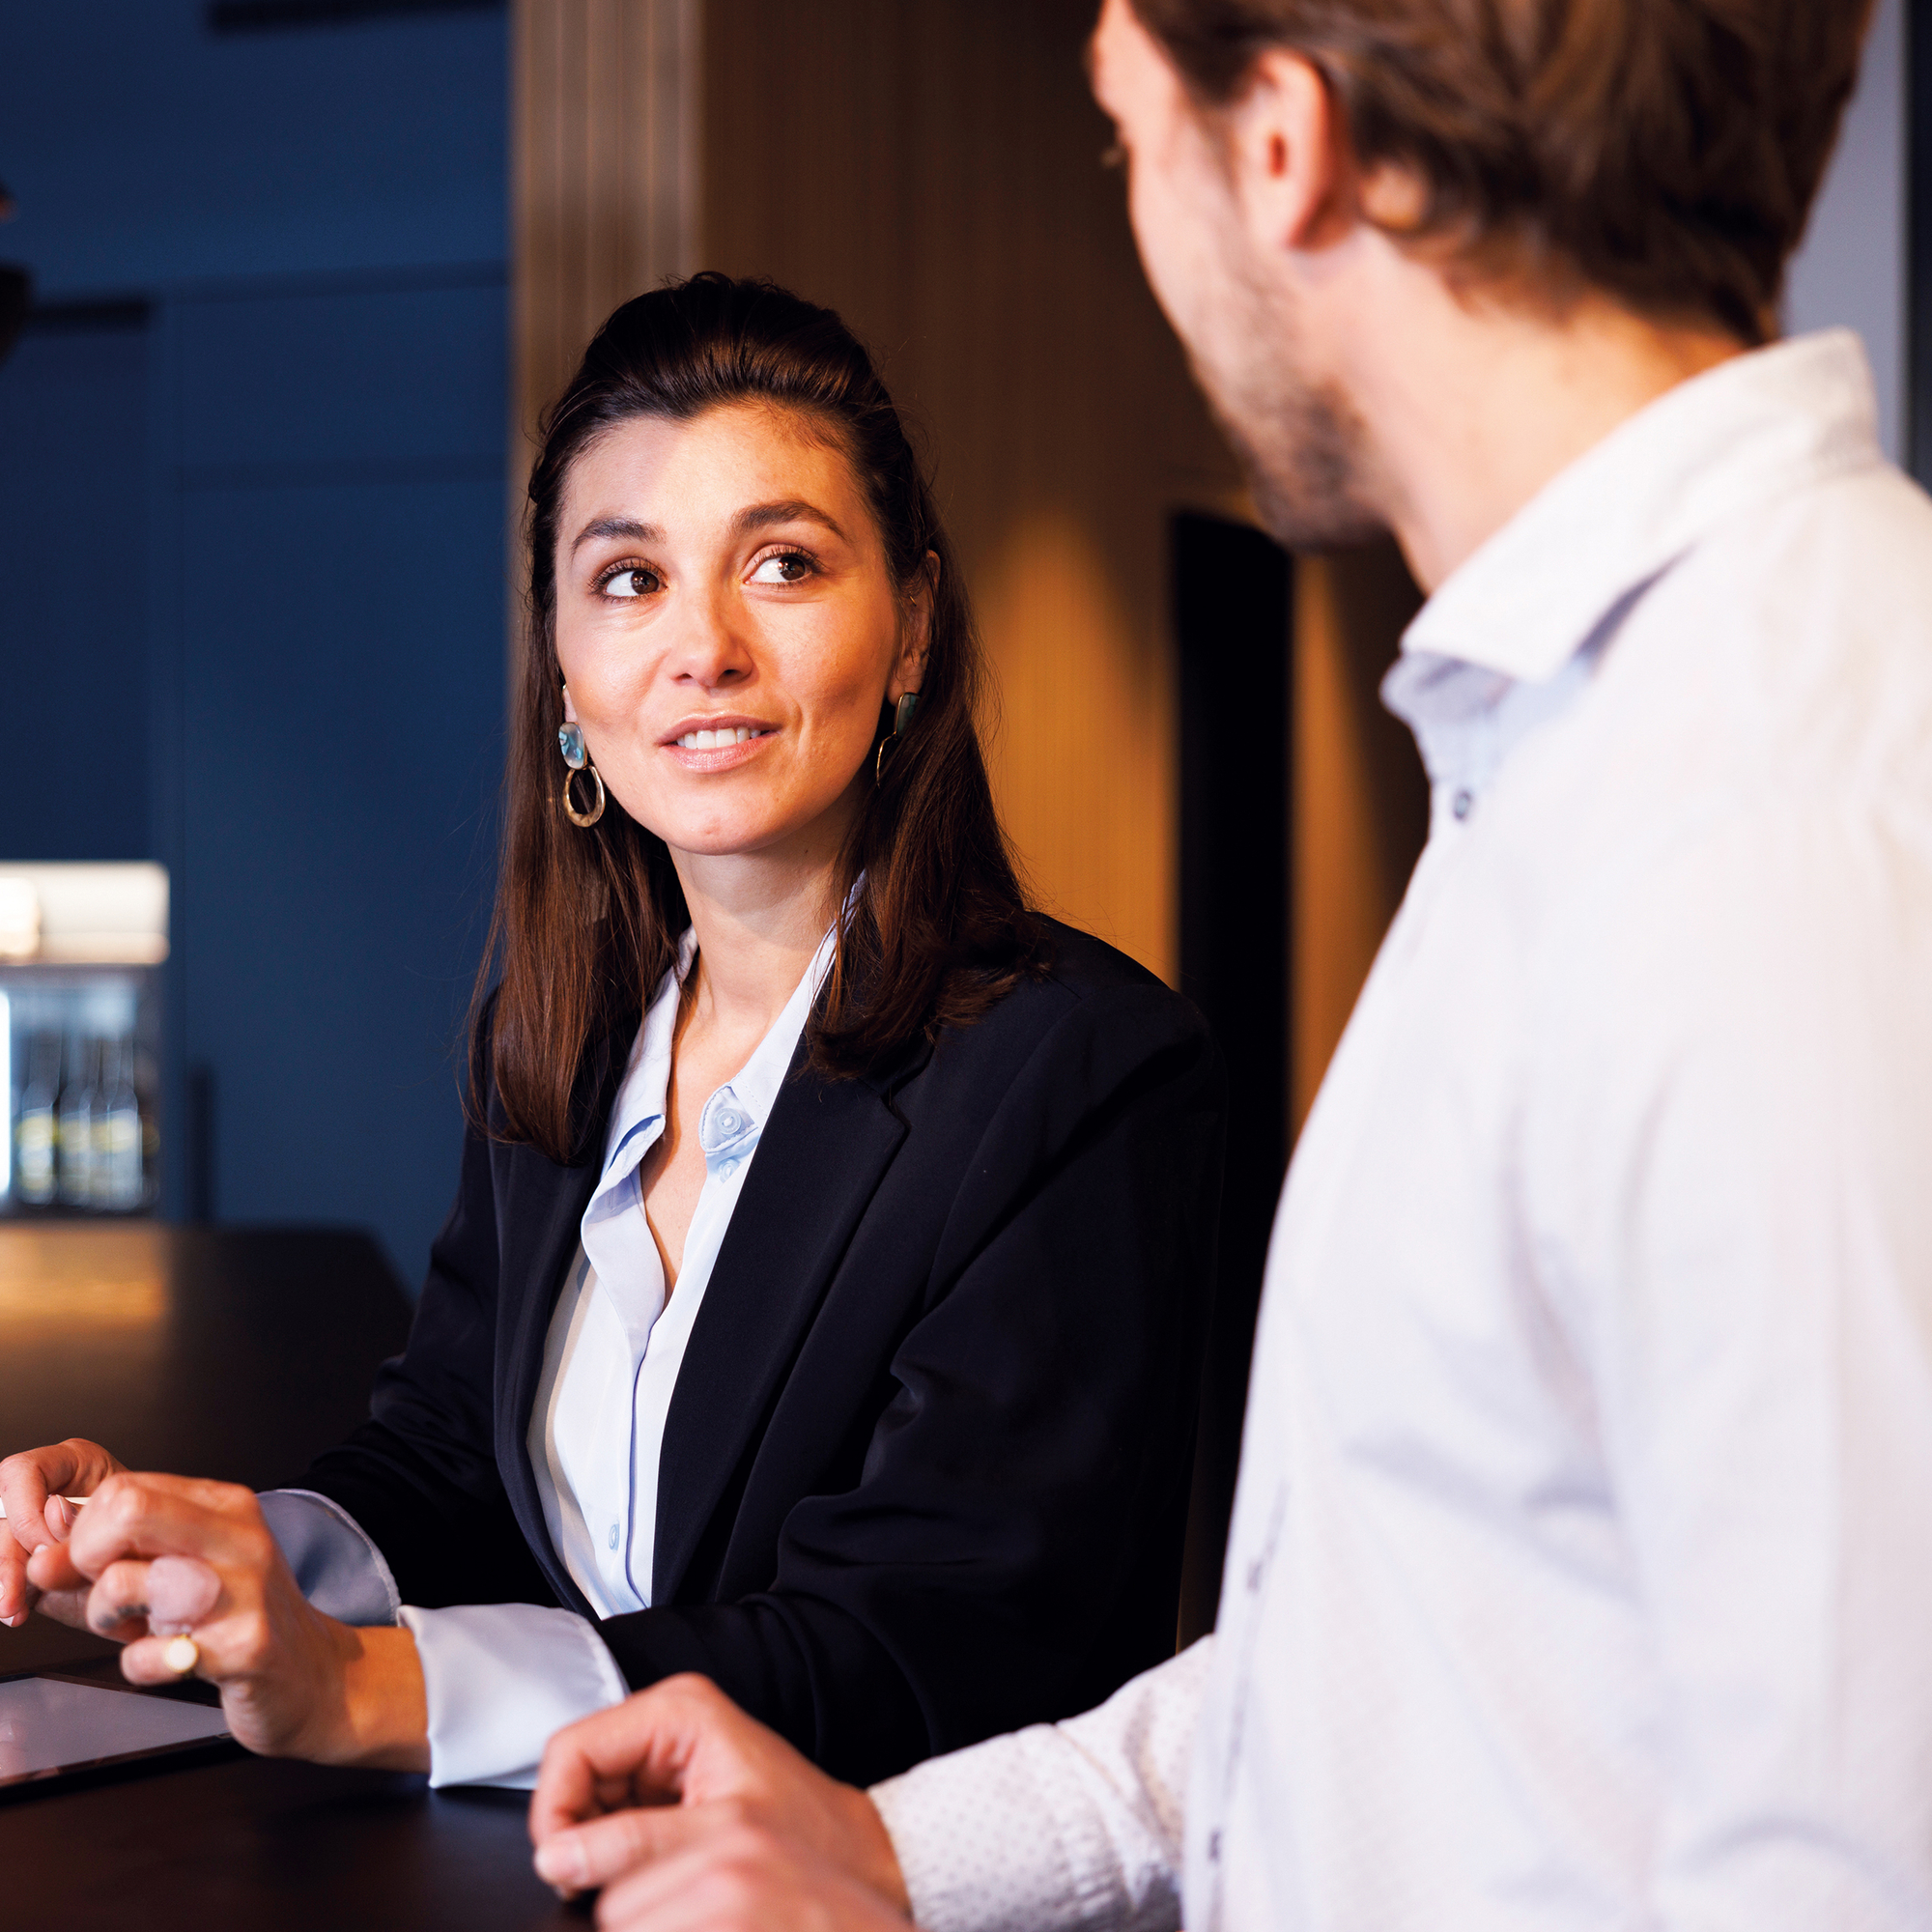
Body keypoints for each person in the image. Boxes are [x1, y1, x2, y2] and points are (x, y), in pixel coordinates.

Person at [513, 0, 1932, 1926]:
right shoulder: (1579, 739)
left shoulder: (1772, 803)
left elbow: (1853, 1856)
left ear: (1280, 144)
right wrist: (895, 1851)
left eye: (1124, 139)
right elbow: (1394, 1653)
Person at [0, 273, 1226, 1791]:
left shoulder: (1084, 1072)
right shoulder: (567, 1039)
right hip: (558, 1868)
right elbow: (454, 1456)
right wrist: (224, 1556)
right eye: (630, 578)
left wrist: (378, 1689)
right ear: (567, 674)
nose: (701, 646)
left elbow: (933, 1650)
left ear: (911, 628)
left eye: (783, 563)